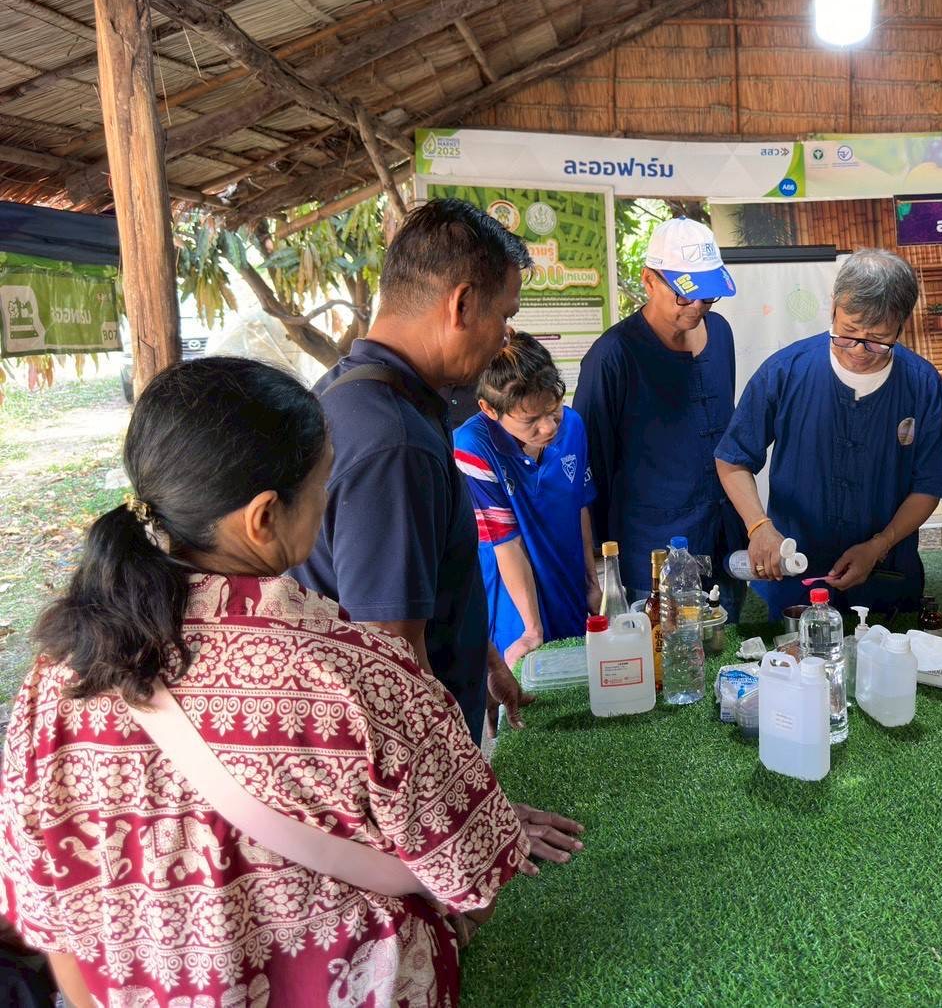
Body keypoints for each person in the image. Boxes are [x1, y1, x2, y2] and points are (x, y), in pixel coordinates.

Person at [0, 357, 582, 1006]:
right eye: (323, 483)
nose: (328, 503)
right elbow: (473, 880)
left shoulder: (53, 679)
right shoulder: (354, 670)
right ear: (263, 518)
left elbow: (47, 914)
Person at [293, 198, 534, 743]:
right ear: (463, 305)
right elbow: (390, 664)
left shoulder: (352, 391)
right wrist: (466, 807)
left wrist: (481, 655)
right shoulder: (394, 443)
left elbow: (410, 585)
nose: (505, 337)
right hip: (410, 788)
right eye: (505, 315)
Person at [715, 248, 942, 615]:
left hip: (887, 573)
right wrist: (759, 525)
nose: (859, 350)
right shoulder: (785, 372)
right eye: (847, 333)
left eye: (878, 340)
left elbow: (929, 486)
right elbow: (732, 460)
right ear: (833, 308)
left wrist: (880, 545)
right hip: (796, 571)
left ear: (902, 324)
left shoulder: (923, 386)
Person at [573, 216, 743, 609]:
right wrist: (598, 560)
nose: (697, 307)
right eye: (684, 296)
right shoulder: (612, 357)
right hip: (651, 550)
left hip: (722, 538)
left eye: (708, 296)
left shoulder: (720, 334)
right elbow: (590, 462)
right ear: (649, 281)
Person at [454, 332, 600, 667]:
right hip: (513, 595)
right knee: (522, 678)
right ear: (490, 409)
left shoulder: (573, 426)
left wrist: (591, 583)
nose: (548, 427)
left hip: (567, 579)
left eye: (553, 409)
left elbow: (579, 506)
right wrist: (532, 629)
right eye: (531, 421)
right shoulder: (473, 447)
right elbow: (505, 543)